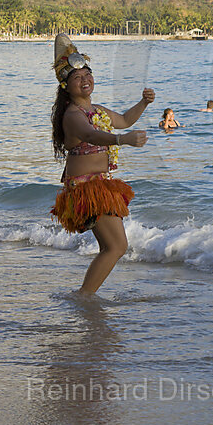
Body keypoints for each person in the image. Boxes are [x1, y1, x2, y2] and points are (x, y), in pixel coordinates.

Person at [50, 34, 154, 295]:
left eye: (87, 74)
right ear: (66, 86)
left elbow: (124, 120)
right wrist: (123, 140)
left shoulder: (97, 110)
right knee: (116, 247)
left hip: (99, 185)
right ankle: (84, 296)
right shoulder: (73, 115)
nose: (85, 80)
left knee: (114, 247)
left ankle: (84, 295)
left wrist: (143, 103)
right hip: (86, 188)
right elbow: (91, 135)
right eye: (77, 78)